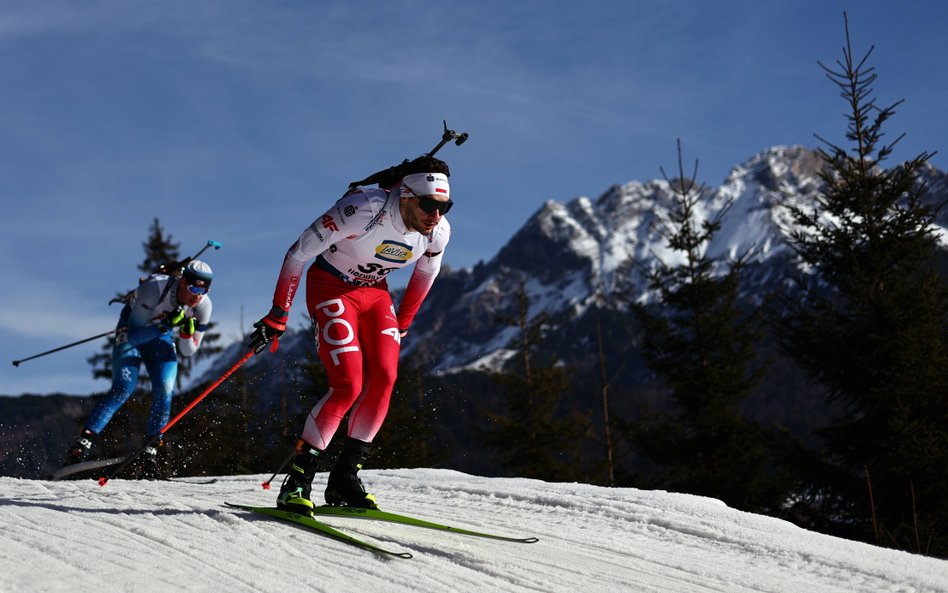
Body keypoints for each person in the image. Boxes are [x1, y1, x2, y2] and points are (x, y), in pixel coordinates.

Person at [248, 155, 453, 513]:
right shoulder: (362, 209)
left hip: (375, 295)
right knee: (348, 384)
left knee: (386, 377)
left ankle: (345, 477)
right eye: (428, 205)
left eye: (444, 206)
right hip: (331, 286)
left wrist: (403, 321)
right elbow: (298, 254)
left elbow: (426, 274)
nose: (436, 215)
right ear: (405, 196)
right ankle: (298, 481)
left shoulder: (437, 231)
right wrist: (279, 313)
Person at [63, 260, 215, 478]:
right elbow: (134, 336)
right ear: (182, 282)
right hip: (134, 331)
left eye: (204, 290)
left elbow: (188, 351)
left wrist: (184, 334)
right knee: (124, 387)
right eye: (194, 288)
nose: (198, 295)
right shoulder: (156, 287)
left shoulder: (203, 306)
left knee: (165, 388)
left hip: (160, 336)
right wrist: (165, 325)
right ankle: (82, 444)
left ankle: (150, 452)